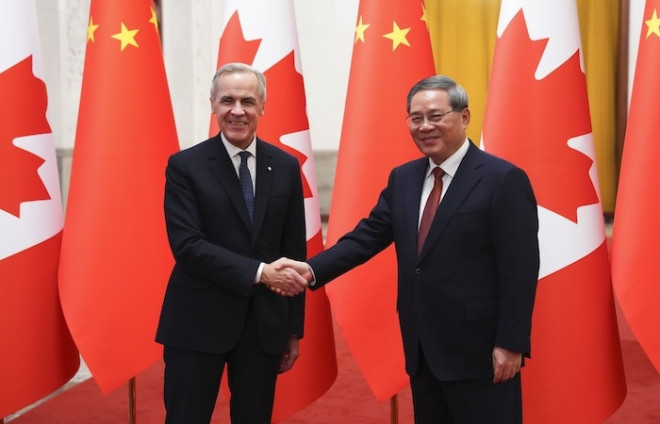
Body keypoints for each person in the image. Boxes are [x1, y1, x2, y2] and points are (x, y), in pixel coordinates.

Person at [277, 75, 539, 423]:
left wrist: (510, 342)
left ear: (464, 117)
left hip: (480, 351)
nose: (425, 126)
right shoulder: (404, 178)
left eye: (435, 116)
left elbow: (519, 269)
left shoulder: (502, 179)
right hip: (422, 348)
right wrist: (311, 269)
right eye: (416, 118)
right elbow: (367, 237)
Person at [155, 62, 308, 424]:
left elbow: (293, 252)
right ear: (213, 104)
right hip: (196, 322)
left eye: (247, 101)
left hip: (263, 326)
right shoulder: (185, 166)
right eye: (227, 100)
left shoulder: (286, 166)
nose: (237, 111)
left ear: (262, 106)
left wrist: (292, 330)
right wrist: (260, 273)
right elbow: (188, 246)